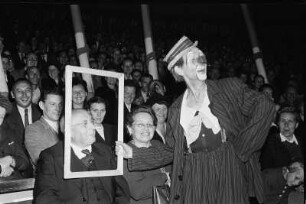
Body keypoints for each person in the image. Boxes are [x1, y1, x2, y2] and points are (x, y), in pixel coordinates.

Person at [116, 36, 275, 204]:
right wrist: (134, 153)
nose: (202, 62)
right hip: (194, 171)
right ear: (179, 70)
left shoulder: (229, 88)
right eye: (193, 59)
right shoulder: (177, 109)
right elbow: (172, 150)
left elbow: (265, 106)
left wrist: (242, 148)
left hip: (227, 166)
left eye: (202, 57)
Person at [34, 109, 130, 204]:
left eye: (91, 122)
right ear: (68, 131)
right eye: (85, 124)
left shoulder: (105, 151)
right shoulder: (51, 157)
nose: (93, 127)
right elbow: (45, 198)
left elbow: (121, 190)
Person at [123, 106, 171, 204]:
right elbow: (138, 191)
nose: (146, 129)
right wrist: (165, 176)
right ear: (129, 128)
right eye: (140, 125)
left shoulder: (158, 144)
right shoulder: (125, 153)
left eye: (150, 125)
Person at [25, 89, 63, 172]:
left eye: (60, 104)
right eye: (52, 104)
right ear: (42, 105)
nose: (58, 108)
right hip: (50, 180)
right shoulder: (33, 129)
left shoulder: (67, 126)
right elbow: (41, 162)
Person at [0, 94, 30, 180]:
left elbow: (24, 162)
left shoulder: (9, 132)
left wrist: (10, 160)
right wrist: (2, 168)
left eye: (1, 116)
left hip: (13, 183)